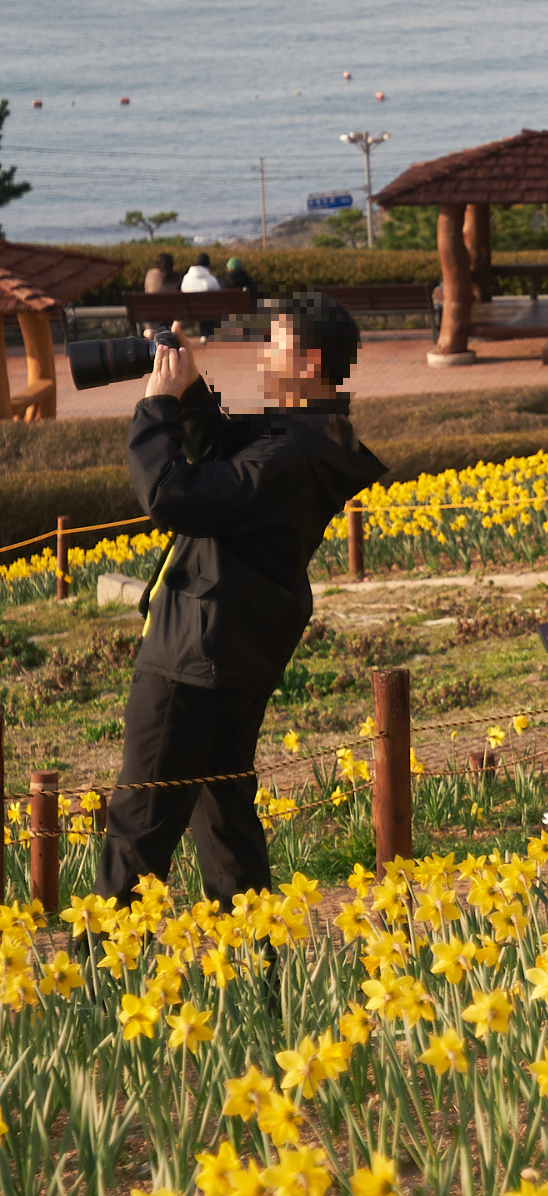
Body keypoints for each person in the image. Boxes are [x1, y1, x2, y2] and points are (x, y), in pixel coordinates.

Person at [106, 294, 386, 906]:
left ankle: (94, 980)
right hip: (232, 655)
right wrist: (191, 390)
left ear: (307, 363)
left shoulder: (286, 455)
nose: (261, 355)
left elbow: (172, 493)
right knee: (225, 823)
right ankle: (254, 978)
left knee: (139, 826)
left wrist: (155, 406)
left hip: (193, 657)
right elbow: (226, 453)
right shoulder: (305, 437)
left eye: (274, 344)